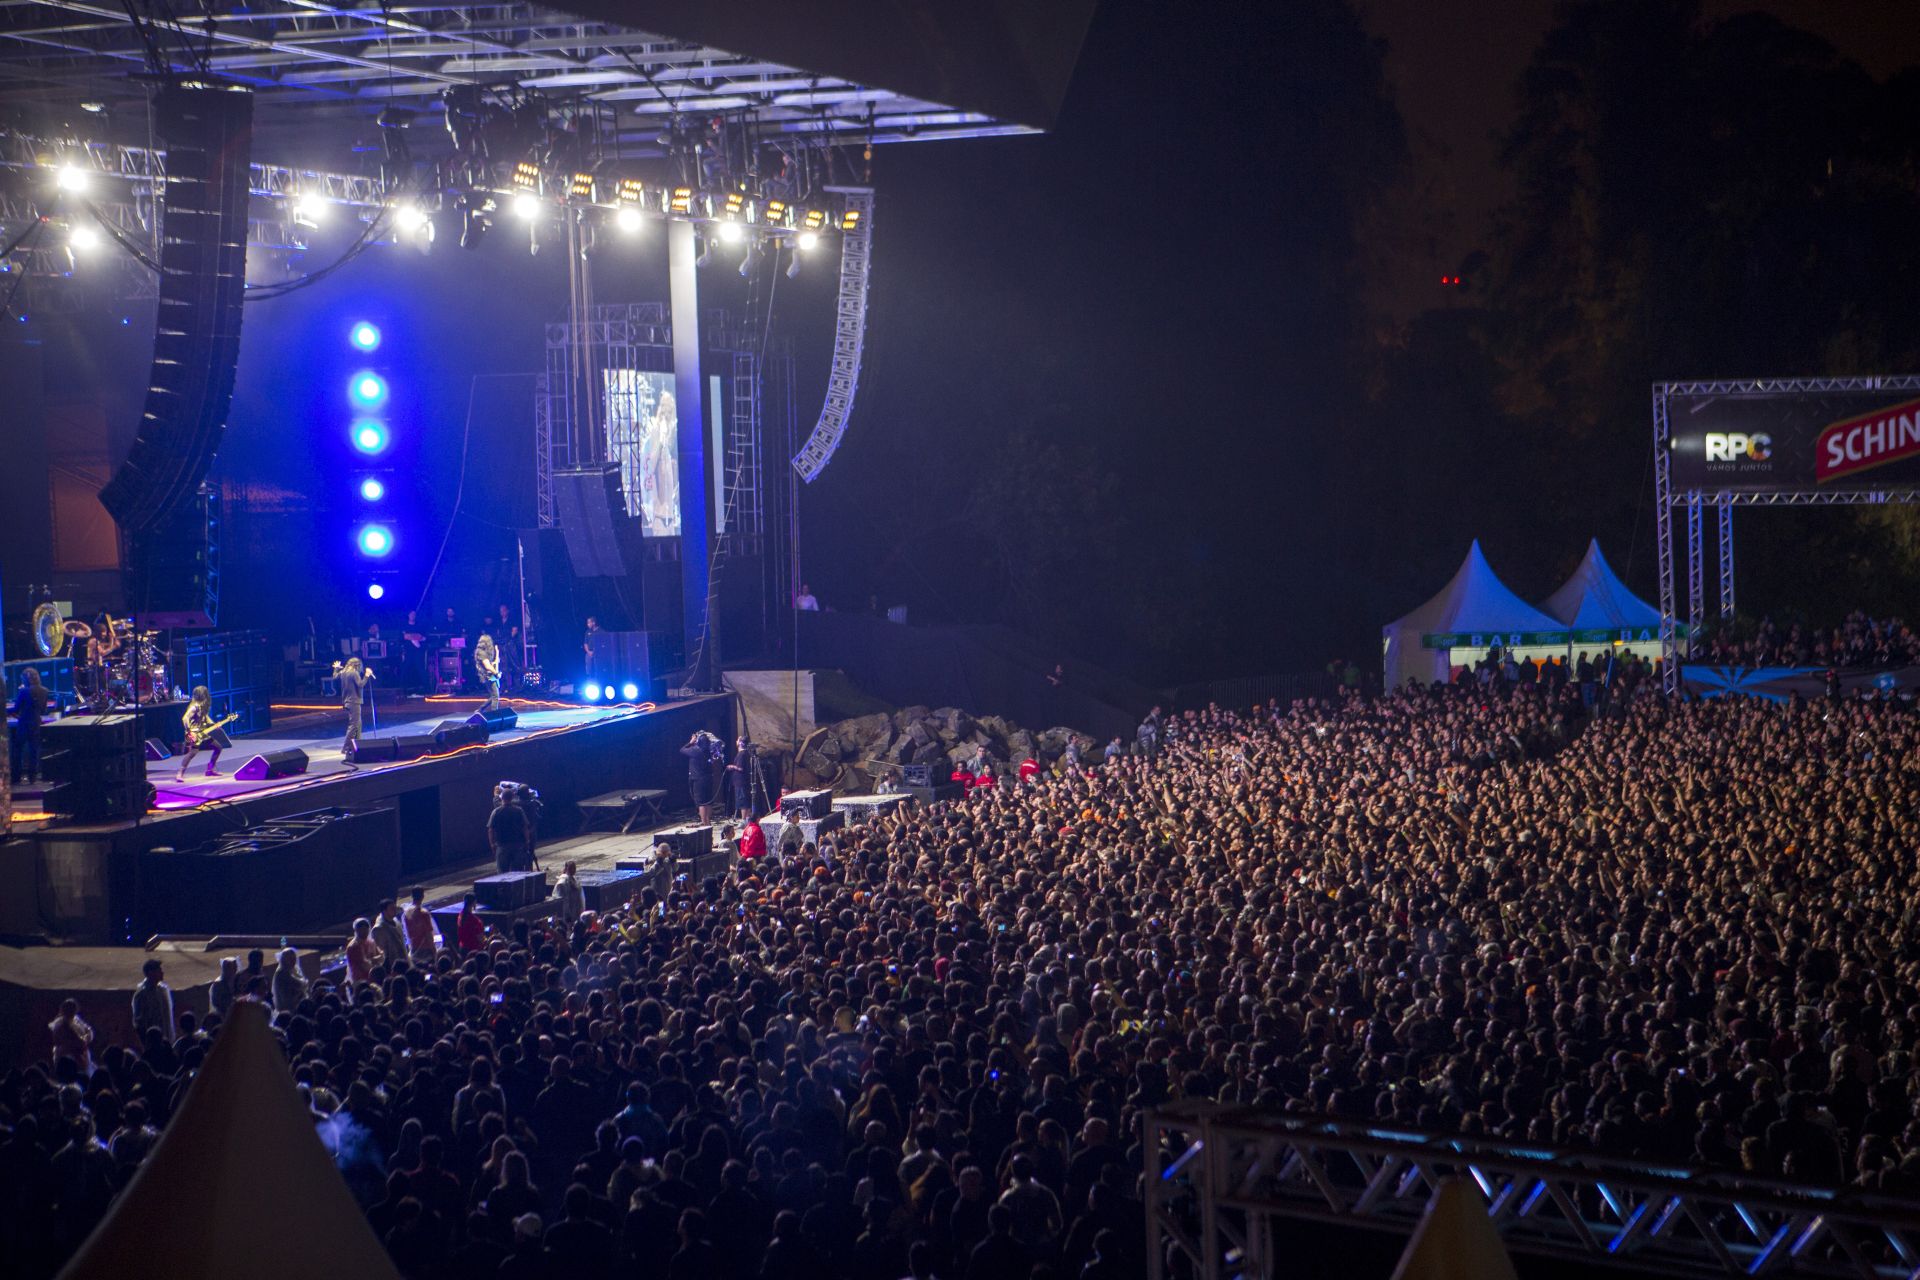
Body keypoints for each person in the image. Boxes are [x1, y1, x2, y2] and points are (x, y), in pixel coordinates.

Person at [174, 686, 229, 780]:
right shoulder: (194, 707)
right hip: (193, 732)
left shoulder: (202, 706)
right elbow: (185, 718)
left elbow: (206, 718)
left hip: (202, 733)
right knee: (193, 752)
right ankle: (180, 773)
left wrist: (214, 725)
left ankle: (210, 769)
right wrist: (189, 731)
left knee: (218, 747)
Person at [9, 667, 46, 786]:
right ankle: (32, 778)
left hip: (24, 723)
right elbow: (43, 710)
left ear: (26, 679)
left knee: (17, 749)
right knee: (34, 750)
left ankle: (16, 777)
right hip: (36, 723)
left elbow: (16, 709)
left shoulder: (24, 691)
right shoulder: (45, 690)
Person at [333, 656, 373, 752]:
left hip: (347, 701)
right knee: (354, 725)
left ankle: (358, 746)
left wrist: (336, 668)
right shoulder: (354, 673)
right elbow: (360, 684)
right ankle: (346, 747)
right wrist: (367, 675)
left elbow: (335, 677)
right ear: (357, 665)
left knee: (358, 725)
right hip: (354, 701)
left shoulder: (343, 672)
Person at [680, 731, 720, 824]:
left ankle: (704, 821)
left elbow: (682, 750)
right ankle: (708, 820)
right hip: (708, 778)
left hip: (698, 780)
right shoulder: (709, 751)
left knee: (701, 802)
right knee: (708, 801)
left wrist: (691, 742)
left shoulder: (695, 750)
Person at [489, 789, 533, 873]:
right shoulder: (519, 810)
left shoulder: (496, 812)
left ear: (502, 798)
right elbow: (525, 827)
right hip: (517, 845)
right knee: (517, 873)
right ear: (512, 798)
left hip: (502, 845)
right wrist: (527, 841)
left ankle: (503, 886)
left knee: (502, 873)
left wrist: (492, 844)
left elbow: (491, 829)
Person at [130, 958, 174, 1041]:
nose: (162, 973)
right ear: (151, 973)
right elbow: (139, 1022)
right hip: (152, 1041)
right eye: (159, 970)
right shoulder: (142, 994)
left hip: (166, 1040)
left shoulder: (163, 990)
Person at [47, 998, 94, 1075]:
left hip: (81, 1056)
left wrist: (86, 1037)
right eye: (70, 1009)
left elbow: (89, 1031)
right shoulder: (61, 1025)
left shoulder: (77, 1020)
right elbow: (77, 1042)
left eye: (74, 1009)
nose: (73, 1012)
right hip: (68, 1057)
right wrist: (84, 1039)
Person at [344, 917, 383, 991]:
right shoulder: (353, 946)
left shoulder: (371, 942)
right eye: (361, 929)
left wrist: (373, 960)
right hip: (360, 984)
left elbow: (382, 957)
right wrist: (375, 960)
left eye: (366, 928)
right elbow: (365, 966)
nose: (364, 931)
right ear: (356, 931)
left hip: (374, 981)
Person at [399, 611, 429, 698]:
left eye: (414, 615)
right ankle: (402, 689)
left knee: (421, 670)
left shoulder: (419, 626)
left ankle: (426, 689)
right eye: (411, 614)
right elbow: (403, 637)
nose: (412, 616)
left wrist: (411, 636)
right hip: (408, 652)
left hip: (418, 652)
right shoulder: (404, 626)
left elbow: (422, 637)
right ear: (408, 615)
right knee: (405, 670)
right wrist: (412, 636)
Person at [401, 885, 438, 957]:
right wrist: (434, 951)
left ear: (412, 896)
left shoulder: (406, 913)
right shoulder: (424, 913)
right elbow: (428, 934)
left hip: (413, 948)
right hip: (426, 949)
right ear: (423, 896)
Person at [271, 946, 308, 1013]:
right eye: (290, 959)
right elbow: (300, 984)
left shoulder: (293, 970)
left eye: (294, 958)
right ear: (284, 960)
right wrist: (303, 984)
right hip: (287, 1011)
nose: (293, 961)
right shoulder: (282, 973)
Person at [371, 899, 407, 965]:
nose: (395, 910)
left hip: (404, 961)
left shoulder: (396, 921)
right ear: (384, 911)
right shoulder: (378, 929)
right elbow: (382, 952)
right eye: (392, 908)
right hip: (393, 966)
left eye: (395, 908)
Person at [474, 632, 503, 711]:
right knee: (495, 696)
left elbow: (494, 662)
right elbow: (487, 666)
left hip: (490, 675)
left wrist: (497, 653)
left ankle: (480, 709)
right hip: (488, 676)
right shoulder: (481, 653)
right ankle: (494, 714)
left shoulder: (484, 652)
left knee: (493, 696)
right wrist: (496, 673)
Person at [553, 861, 585, 927]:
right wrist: (568, 917)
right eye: (571, 868)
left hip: (575, 913)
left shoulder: (574, 880)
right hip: (568, 917)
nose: (573, 870)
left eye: (574, 868)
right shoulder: (562, 883)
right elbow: (564, 901)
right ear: (566, 868)